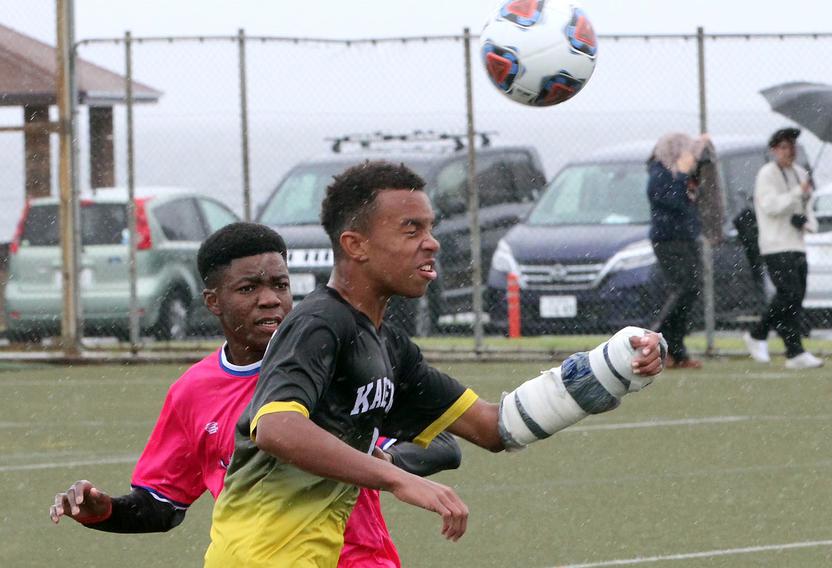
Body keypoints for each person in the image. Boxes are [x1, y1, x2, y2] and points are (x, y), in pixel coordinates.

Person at [204, 161, 667, 567]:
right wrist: (397, 478)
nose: (433, 244)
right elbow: (277, 427)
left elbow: (493, 426)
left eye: (430, 228)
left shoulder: (391, 348)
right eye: (411, 230)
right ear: (356, 245)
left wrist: (614, 365)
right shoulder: (319, 323)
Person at [48, 221, 461, 567]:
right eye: (249, 289)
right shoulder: (192, 391)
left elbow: (443, 442)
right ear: (213, 301)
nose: (270, 299)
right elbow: (162, 504)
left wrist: (386, 461)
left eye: (280, 285)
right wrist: (105, 511)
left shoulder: (339, 364)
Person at [742, 128, 823, 369]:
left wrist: (807, 223)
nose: (790, 151)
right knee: (787, 293)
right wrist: (797, 193)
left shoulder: (800, 173)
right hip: (776, 245)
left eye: (793, 146)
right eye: (785, 147)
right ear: (775, 150)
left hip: (797, 244)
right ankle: (757, 333)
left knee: (796, 298)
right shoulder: (767, 174)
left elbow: (807, 209)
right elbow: (770, 206)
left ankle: (794, 351)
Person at [645, 132, 707, 369]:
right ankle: (657, 337)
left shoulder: (684, 174)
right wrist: (681, 175)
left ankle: (677, 351)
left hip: (686, 238)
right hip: (668, 240)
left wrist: (702, 148)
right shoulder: (660, 172)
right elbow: (672, 200)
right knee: (684, 287)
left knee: (691, 290)